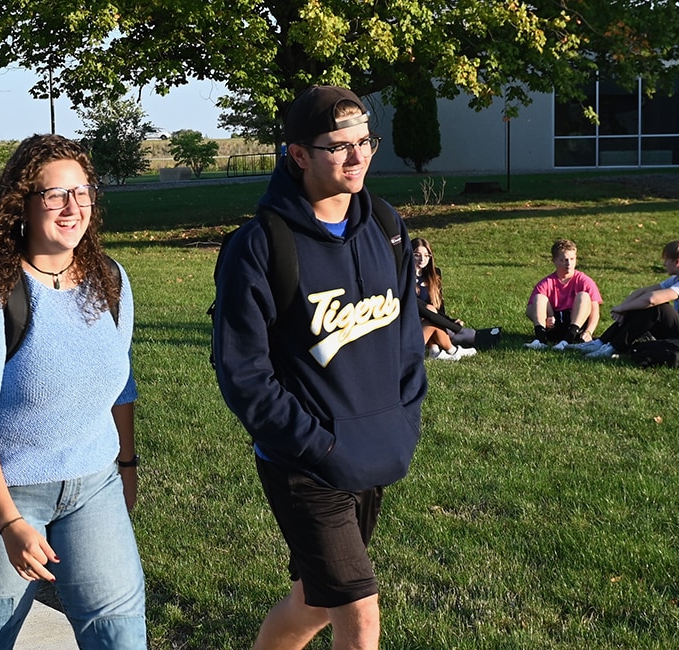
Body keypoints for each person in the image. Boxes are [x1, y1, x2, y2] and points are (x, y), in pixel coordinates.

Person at [210, 86, 426, 650]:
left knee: (316, 598)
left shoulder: (386, 226)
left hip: (376, 447)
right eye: (339, 147)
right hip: (307, 463)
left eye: (365, 143)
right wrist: (315, 443)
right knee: (360, 608)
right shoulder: (260, 246)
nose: (358, 159)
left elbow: (408, 342)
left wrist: (403, 421)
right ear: (298, 154)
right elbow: (243, 372)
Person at [0, 134, 145, 649]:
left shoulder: (111, 282)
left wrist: (126, 466)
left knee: (119, 634)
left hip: (93, 485)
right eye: (55, 195)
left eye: (83, 192)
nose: (73, 207)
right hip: (3, 495)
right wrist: (9, 523)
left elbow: (121, 386)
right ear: (21, 206)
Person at [580, 241, 679, 359]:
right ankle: (601, 342)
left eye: (666, 260)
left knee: (658, 309)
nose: (664, 263)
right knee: (641, 305)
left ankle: (612, 348)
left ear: (677, 262)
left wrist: (623, 309)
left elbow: (653, 299)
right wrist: (623, 307)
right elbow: (643, 292)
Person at [412, 237, 499, 361]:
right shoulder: (403, 278)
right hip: (410, 328)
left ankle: (435, 351)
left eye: (427, 255)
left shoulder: (434, 274)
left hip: (429, 322)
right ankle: (452, 350)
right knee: (431, 314)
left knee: (433, 313)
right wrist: (452, 326)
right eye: (417, 255)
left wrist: (450, 320)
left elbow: (438, 306)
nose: (422, 259)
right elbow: (420, 308)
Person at [525, 239, 602, 350]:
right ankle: (540, 339)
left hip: (576, 327)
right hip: (555, 326)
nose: (569, 263)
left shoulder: (585, 281)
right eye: (564, 260)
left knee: (583, 296)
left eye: (572, 259)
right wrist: (548, 318)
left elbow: (595, 311)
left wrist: (589, 332)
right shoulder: (546, 283)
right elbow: (530, 310)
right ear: (554, 261)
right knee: (539, 298)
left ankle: (568, 340)